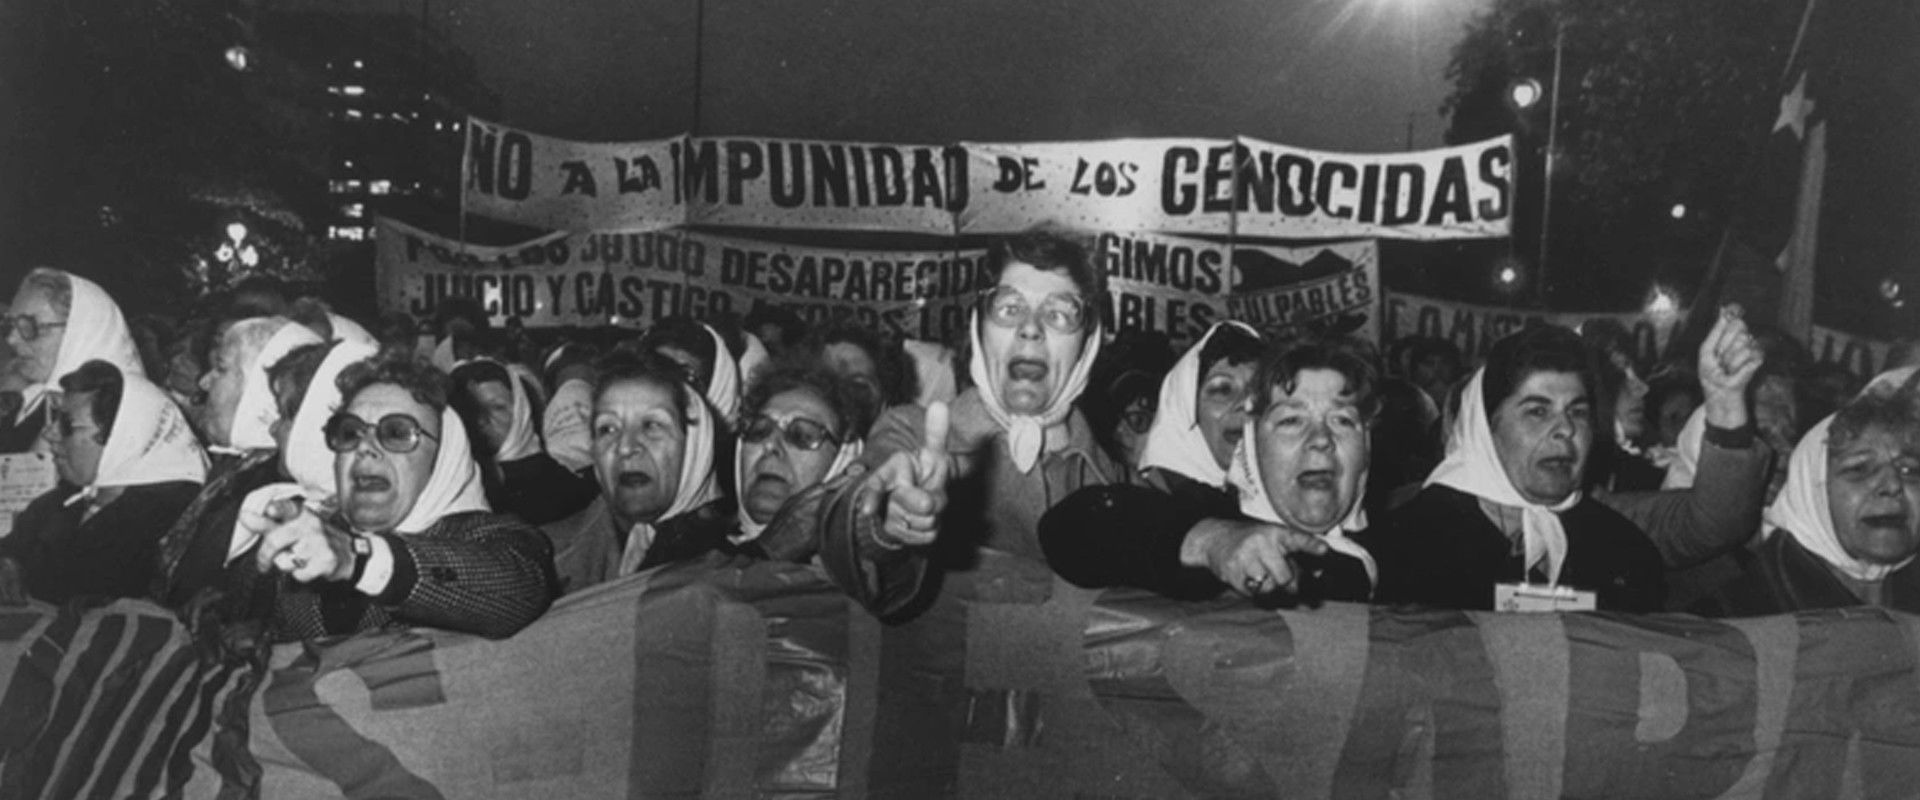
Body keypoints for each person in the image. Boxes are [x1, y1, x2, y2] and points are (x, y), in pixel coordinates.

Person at [240, 352, 557, 640]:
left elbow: (519, 591)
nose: (364, 447)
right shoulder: (310, 538)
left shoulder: (493, 539)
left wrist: (360, 559)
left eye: (396, 433)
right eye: (350, 432)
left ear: (444, 458)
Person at [1041, 337, 1377, 605]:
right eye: (1291, 420)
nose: (1321, 440)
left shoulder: (1397, 548)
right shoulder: (1211, 526)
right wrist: (1213, 542)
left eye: (1343, 420)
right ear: (1253, 444)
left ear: (1366, 447)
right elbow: (1072, 527)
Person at [1356, 325, 1665, 612]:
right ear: (1487, 429)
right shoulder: (1407, 546)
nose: (1565, 429)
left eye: (1578, 411)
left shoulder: (1624, 549)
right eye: (1538, 411)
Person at [1695, 368, 1920, 615]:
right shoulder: (1739, 610)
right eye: (1859, 469)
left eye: (1910, 470)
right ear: (1814, 494)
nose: (1892, 485)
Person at [146, 318, 325, 606]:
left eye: (221, 368)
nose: (204, 382)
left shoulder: (277, 491)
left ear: (262, 391)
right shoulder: (238, 469)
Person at [0, 361, 205, 604]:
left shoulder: (171, 520)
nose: (49, 434)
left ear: (123, 437)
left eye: (67, 425)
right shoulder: (63, 500)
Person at [544, 352, 734, 593]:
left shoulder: (736, 566)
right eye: (608, 428)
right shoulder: (547, 555)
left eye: (652, 425)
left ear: (696, 447)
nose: (625, 447)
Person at [0, 269, 145, 452]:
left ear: (80, 332)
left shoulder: (124, 418)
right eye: (9, 326)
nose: (11, 339)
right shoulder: (31, 403)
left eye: (29, 327)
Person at [448, 357, 597, 523]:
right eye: (471, 410)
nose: (482, 421)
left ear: (521, 413)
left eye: (498, 407)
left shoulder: (555, 484)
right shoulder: (450, 483)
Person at [1135, 321, 1264, 507]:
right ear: (1186, 406)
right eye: (1223, 390)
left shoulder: (1276, 503)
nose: (1247, 404)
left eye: (1258, 391)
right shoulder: (1148, 506)